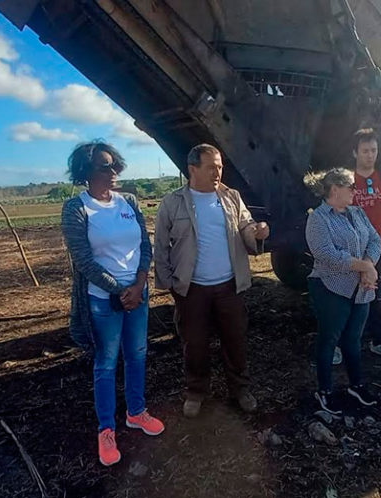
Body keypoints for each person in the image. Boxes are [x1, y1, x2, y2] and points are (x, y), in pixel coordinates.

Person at [61, 140, 164, 467]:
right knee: (106, 363)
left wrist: (138, 283)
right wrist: (120, 291)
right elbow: (84, 261)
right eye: (105, 166)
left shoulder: (129, 201)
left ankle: (136, 412)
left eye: (115, 164)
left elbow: (144, 245)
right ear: (86, 172)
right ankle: (106, 429)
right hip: (104, 300)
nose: (114, 171)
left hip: (137, 292)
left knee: (136, 355)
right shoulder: (76, 208)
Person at [154, 144, 269, 418]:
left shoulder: (231, 197)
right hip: (192, 289)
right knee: (194, 344)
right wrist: (171, 285)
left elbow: (245, 225)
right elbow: (160, 246)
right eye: (211, 167)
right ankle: (196, 392)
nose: (217, 172)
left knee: (235, 341)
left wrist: (258, 231)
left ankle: (240, 390)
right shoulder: (173, 203)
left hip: (230, 286)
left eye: (219, 166)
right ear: (192, 169)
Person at [304, 167, 381, 415]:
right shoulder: (318, 218)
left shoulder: (357, 213)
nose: (355, 191)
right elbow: (326, 254)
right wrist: (364, 267)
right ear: (335, 189)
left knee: (353, 340)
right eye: (350, 187)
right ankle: (325, 390)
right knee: (329, 340)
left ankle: (356, 385)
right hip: (331, 287)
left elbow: (376, 240)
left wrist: (368, 267)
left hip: (361, 289)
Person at [349, 128, 381, 362]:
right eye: (365, 151)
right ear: (354, 153)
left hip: (379, 252)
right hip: (353, 253)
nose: (370, 155)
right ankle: (344, 344)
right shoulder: (347, 181)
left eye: (373, 150)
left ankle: (378, 342)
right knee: (348, 298)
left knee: (377, 297)